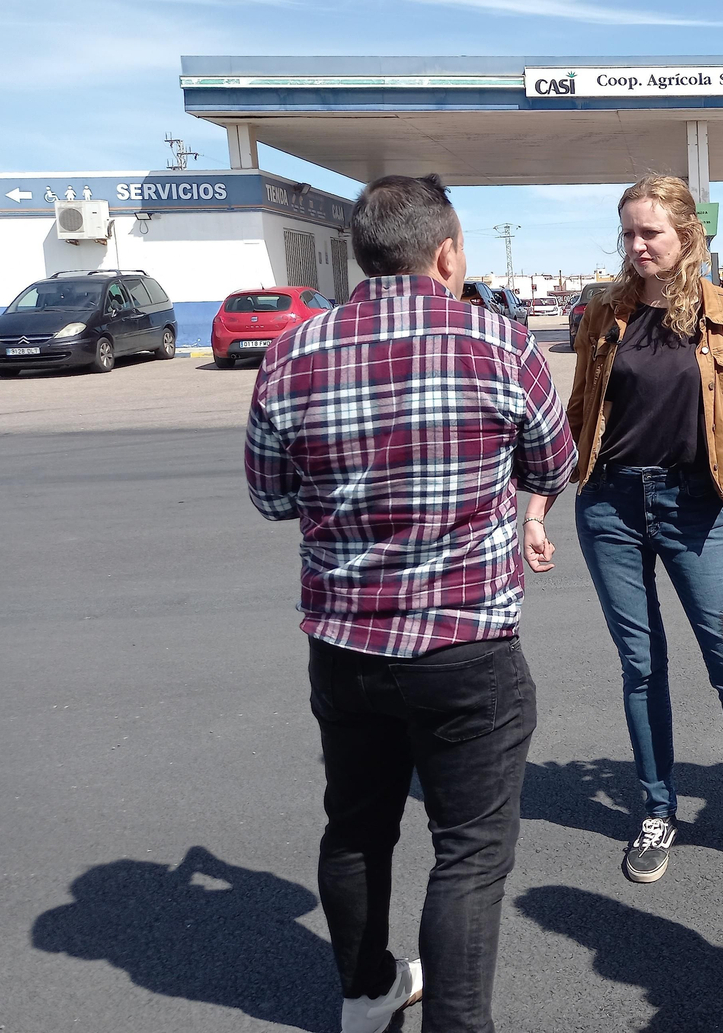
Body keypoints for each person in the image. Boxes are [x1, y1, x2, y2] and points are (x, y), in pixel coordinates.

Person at [244, 174, 574, 1033]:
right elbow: (554, 463)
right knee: (467, 855)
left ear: (360, 256)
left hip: (346, 647)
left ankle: (365, 994)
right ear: (447, 252)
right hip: (467, 648)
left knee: (356, 827)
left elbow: (271, 497)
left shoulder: (293, 351)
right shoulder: (500, 342)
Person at [521, 174, 723, 894]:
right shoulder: (603, 312)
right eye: (630, 233)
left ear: (686, 238)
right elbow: (577, 414)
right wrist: (538, 507)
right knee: (641, 669)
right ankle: (656, 810)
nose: (638, 245)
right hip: (609, 506)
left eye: (652, 233)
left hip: (695, 508)